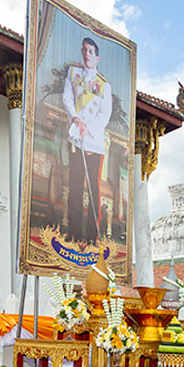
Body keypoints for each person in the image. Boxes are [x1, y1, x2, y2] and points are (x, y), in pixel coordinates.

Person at [62, 37, 112, 245]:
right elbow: (67, 98)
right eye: (85, 50)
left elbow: (105, 113)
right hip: (75, 137)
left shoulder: (103, 84)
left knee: (93, 189)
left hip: (94, 142)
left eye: (91, 51)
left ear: (97, 57)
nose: (87, 54)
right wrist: (75, 118)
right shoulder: (74, 73)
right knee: (74, 186)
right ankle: (74, 234)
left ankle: (92, 237)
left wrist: (88, 131)